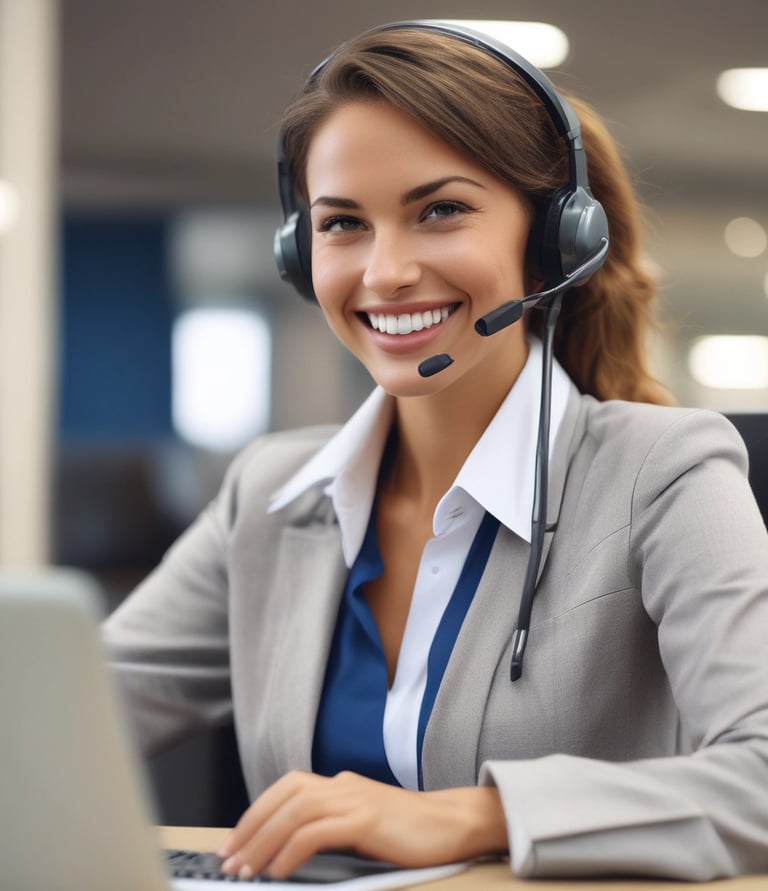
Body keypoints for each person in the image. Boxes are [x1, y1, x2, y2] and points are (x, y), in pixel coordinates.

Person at [103, 21, 768, 882]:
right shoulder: (271, 492)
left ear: (551, 239)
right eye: (342, 223)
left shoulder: (662, 473)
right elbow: (63, 712)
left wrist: (471, 815)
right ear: (301, 253)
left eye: (440, 210)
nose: (384, 273)